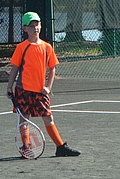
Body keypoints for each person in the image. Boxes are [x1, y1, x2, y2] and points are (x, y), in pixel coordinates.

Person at [6, 11, 80, 157]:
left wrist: (48, 87)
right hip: (23, 90)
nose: (35, 28)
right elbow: (15, 68)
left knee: (48, 118)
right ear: (25, 29)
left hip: (41, 92)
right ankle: (26, 147)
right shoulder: (22, 47)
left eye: (37, 25)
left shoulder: (47, 47)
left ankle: (60, 147)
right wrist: (9, 87)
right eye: (31, 26)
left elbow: (52, 69)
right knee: (24, 118)